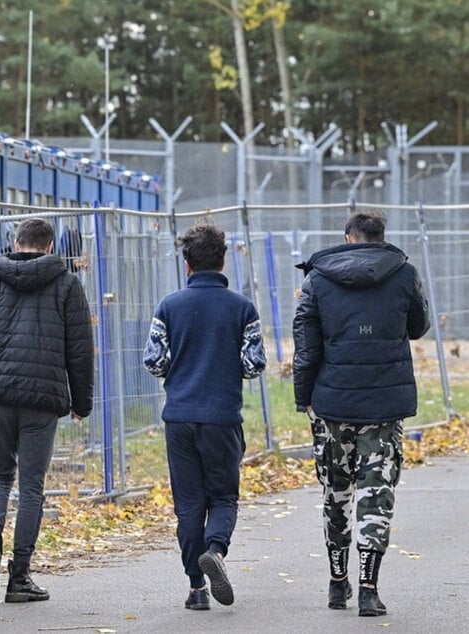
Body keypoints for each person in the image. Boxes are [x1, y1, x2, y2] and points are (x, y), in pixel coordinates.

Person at [292, 211, 430, 617]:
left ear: (348, 239)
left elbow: (306, 348)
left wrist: (305, 400)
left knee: (336, 493)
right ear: (381, 238)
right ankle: (369, 588)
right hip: (385, 409)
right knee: (377, 494)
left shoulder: (318, 280)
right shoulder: (404, 273)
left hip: (333, 407)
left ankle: (338, 583)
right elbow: (418, 327)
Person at [0, 217, 94, 603]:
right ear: (50, 247)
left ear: (15, 242)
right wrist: (81, 402)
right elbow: (80, 349)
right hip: (42, 400)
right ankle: (20, 576)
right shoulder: (67, 284)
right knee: (32, 485)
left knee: (0, 475)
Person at [142, 221, 266, 611]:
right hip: (222, 416)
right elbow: (254, 364)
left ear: (187, 264)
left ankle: (196, 588)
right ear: (223, 260)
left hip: (179, 416)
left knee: (189, 504)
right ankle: (216, 549)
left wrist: (181, 370)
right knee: (224, 496)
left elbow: (153, 360)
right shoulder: (243, 308)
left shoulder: (169, 306)